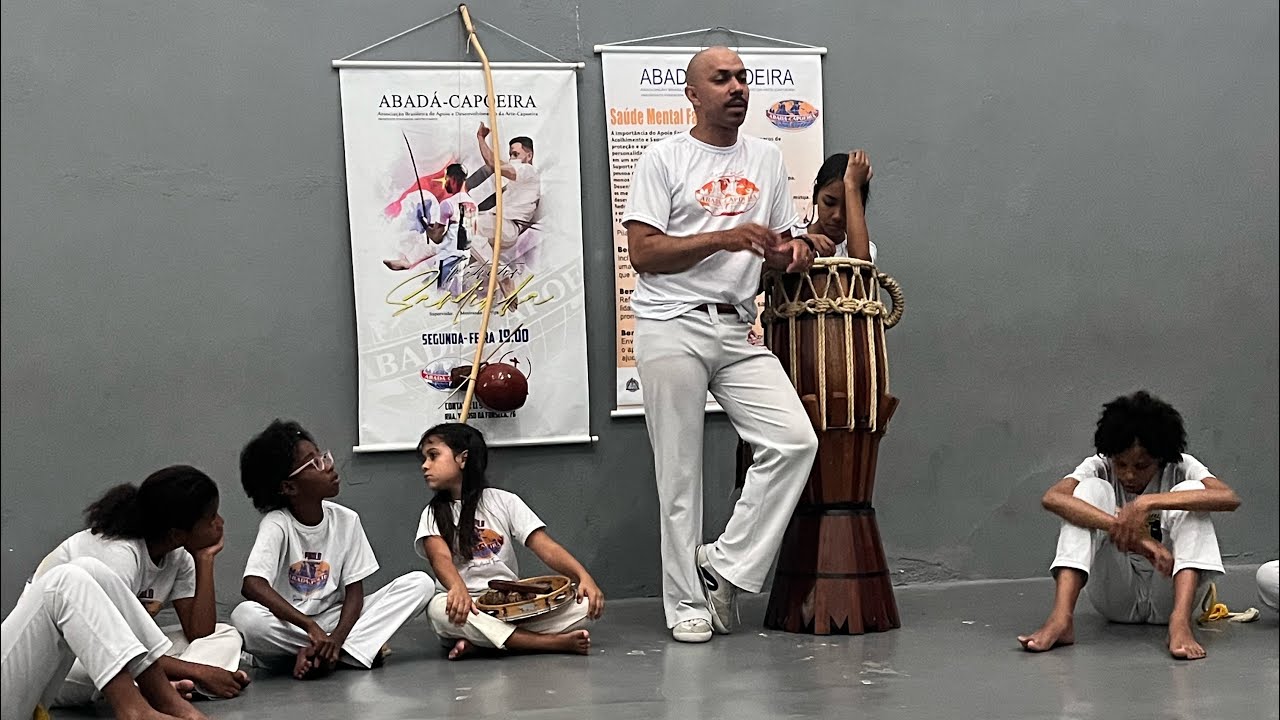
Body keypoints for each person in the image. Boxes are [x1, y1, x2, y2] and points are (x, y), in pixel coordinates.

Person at [621, 46, 820, 643]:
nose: (737, 87)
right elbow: (644, 254)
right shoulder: (664, 159)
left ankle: (722, 565)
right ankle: (684, 603)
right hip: (669, 324)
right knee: (679, 477)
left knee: (793, 441)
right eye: (721, 79)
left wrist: (794, 253)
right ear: (692, 93)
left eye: (742, 78)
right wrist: (726, 236)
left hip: (736, 326)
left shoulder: (766, 157)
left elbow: (777, 250)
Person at [1018, 391, 1241, 660]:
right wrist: (1135, 537)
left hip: (1167, 587)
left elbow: (1228, 498)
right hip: (1116, 596)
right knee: (1087, 492)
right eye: (1120, 464)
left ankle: (1179, 623)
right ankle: (1061, 618)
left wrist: (1146, 504)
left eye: (1141, 465)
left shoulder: (1181, 466)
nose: (1128, 474)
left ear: (1161, 458)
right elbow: (1052, 498)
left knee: (1194, 492)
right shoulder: (1099, 466)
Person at [26, 466, 248, 706]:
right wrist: (200, 671)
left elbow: (199, 633)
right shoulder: (119, 555)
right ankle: (167, 688)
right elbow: (109, 645)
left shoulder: (177, 555)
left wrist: (205, 560)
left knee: (226, 634)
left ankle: (170, 687)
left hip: (126, 651)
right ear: (176, 534)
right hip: (63, 661)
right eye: (212, 517)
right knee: (108, 664)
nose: (220, 522)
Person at [230, 420, 432, 679]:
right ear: (288, 487)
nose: (329, 465)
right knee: (245, 618)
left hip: (334, 622)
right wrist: (309, 626)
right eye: (314, 463)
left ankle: (332, 652)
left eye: (323, 456)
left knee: (421, 584)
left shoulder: (347, 520)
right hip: (291, 623)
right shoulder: (277, 523)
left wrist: (335, 638)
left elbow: (355, 594)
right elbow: (253, 585)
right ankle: (348, 652)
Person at [414, 423, 602, 659]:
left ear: (462, 459)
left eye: (433, 456)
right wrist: (457, 588)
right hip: (464, 604)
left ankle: (483, 642)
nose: (425, 465)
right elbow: (439, 558)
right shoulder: (432, 514)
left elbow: (546, 547)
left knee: (585, 607)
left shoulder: (504, 501)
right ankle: (547, 643)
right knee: (438, 611)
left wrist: (583, 577)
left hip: (510, 605)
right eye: (424, 458)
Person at [2, 556, 209, 720]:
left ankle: (165, 698)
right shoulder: (122, 552)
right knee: (62, 584)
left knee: (89, 568)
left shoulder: (175, 557)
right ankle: (134, 710)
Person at [470, 124, 542, 304]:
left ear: (529, 156)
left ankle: (503, 276)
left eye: (516, 154)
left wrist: (480, 138)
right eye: (511, 154)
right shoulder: (519, 180)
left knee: (466, 228)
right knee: (459, 233)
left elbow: (493, 164)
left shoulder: (528, 170)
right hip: (497, 226)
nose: (512, 158)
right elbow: (494, 165)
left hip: (507, 227)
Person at [804, 150, 877, 262]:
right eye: (829, 203)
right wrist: (802, 242)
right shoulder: (792, 238)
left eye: (848, 207)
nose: (837, 216)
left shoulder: (865, 248)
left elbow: (861, 264)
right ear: (815, 195)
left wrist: (852, 186)